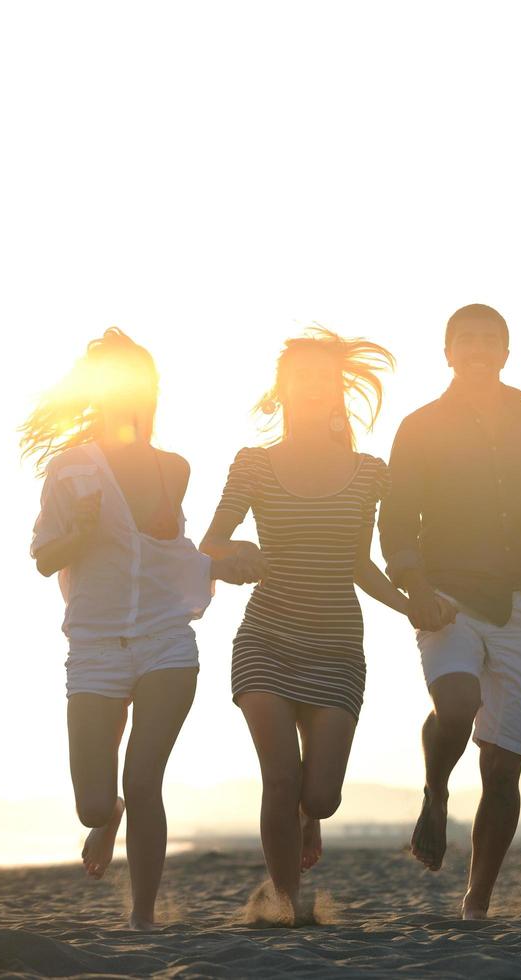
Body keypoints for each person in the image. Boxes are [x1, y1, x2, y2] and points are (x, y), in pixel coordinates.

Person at [24, 328, 259, 930]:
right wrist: (78, 531)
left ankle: (143, 917)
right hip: (96, 646)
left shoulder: (173, 468)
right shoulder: (70, 469)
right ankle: (109, 818)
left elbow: (168, 553)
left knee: (144, 773)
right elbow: (45, 557)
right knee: (95, 801)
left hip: (165, 640)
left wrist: (222, 567)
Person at [381, 303, 521, 919]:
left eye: (490, 340)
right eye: (465, 340)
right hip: (447, 598)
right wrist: (413, 583)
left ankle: (477, 901)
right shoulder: (420, 426)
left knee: (503, 768)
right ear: (447, 351)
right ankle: (436, 788)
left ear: (507, 351)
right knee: (456, 703)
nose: (477, 349)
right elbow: (395, 521)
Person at [201, 327, 407, 922]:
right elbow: (209, 541)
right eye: (301, 378)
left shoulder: (370, 471)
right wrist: (236, 553)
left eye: (324, 378)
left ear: (337, 389)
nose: (313, 388)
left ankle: (306, 816)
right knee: (280, 776)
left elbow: (362, 563)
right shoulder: (254, 464)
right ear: (282, 389)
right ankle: (285, 902)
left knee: (320, 794)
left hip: (338, 645)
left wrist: (408, 604)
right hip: (266, 637)